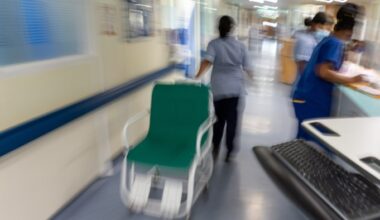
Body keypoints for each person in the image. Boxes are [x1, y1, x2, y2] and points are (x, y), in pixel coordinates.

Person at [292, 4, 365, 139]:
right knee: (311, 143)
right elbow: (323, 72)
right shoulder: (335, 43)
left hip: (304, 96)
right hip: (313, 100)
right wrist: (352, 80)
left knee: (304, 139)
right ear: (350, 31)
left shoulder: (329, 39)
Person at [195, 15, 252, 162]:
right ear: (232, 28)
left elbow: (207, 62)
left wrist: (197, 76)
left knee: (218, 120)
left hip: (219, 89)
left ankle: (215, 147)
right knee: (233, 121)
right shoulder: (240, 46)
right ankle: (230, 152)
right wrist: (253, 78)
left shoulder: (214, 44)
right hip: (235, 89)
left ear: (219, 27)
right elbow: (248, 67)